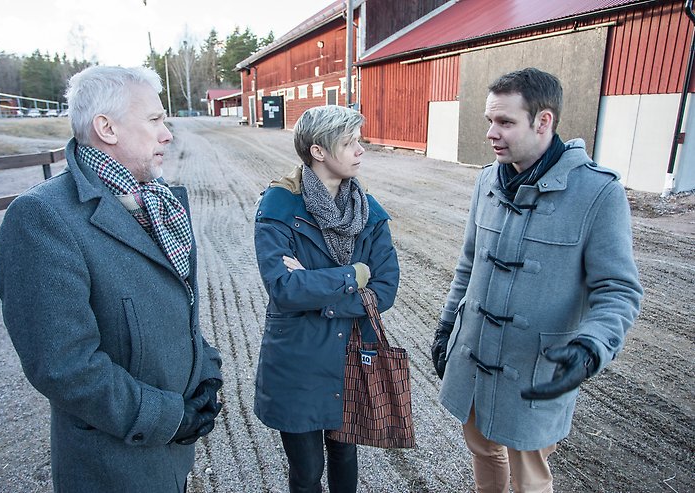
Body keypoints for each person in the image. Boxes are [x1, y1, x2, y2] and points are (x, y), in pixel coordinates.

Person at [0, 65, 223, 493]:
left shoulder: (157, 203)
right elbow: (64, 366)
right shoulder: (42, 218)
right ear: (106, 127)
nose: (167, 133)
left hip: (170, 457)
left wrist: (206, 371)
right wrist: (169, 418)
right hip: (114, 468)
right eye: (154, 120)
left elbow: (177, 305)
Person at [431, 67, 643, 493]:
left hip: (533, 370)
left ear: (543, 121)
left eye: (506, 122)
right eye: (490, 120)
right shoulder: (487, 180)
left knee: (529, 476)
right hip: (475, 359)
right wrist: (446, 325)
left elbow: (618, 291)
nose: (492, 133)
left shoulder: (598, 193)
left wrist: (589, 348)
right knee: (482, 449)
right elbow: (469, 264)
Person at [253, 105, 400, 492]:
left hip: (350, 351)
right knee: (306, 470)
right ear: (319, 151)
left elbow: (384, 290)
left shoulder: (369, 213)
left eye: (359, 140)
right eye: (350, 142)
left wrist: (318, 290)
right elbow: (283, 288)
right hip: (297, 360)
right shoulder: (279, 208)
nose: (361, 149)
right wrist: (353, 275)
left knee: (345, 455)